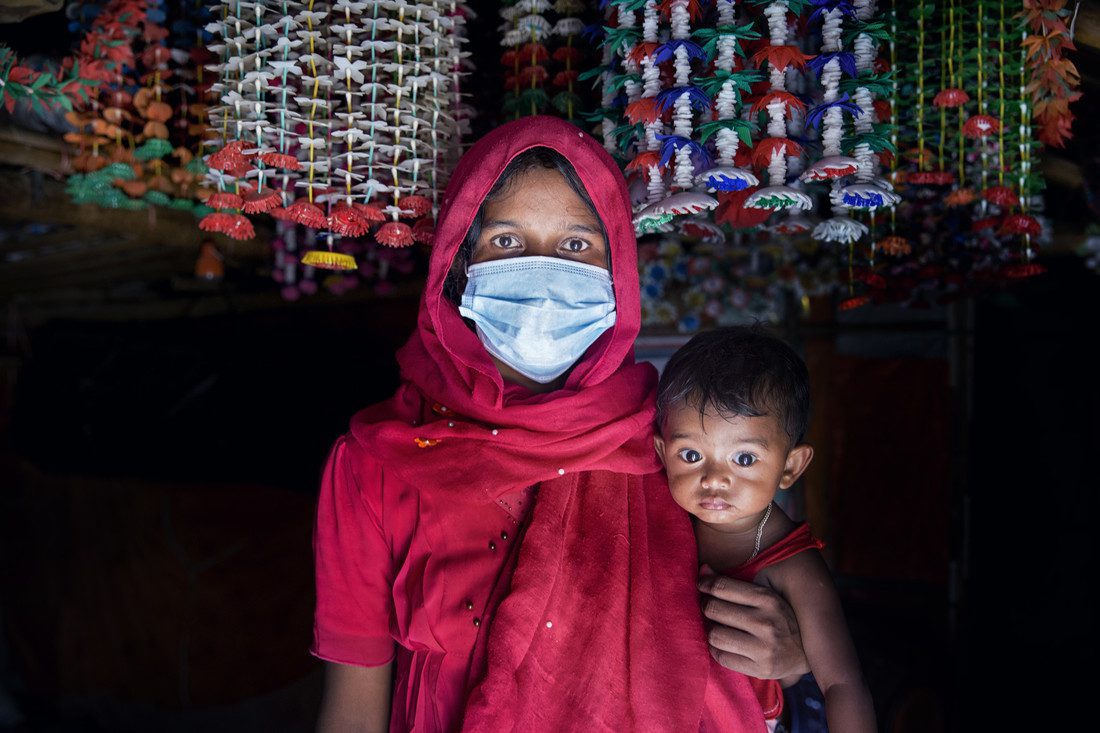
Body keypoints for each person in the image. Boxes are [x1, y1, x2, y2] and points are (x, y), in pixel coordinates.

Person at [310, 116, 808, 732]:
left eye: (576, 246)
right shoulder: (375, 464)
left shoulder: (675, 444)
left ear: (617, 271)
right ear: (459, 267)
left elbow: (766, 583)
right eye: (507, 244)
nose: (543, 277)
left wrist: (791, 654)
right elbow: (353, 706)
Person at [654, 325, 877, 733]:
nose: (714, 479)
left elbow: (843, 684)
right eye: (690, 454)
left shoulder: (794, 566)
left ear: (790, 467)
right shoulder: (659, 523)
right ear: (660, 453)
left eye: (743, 459)